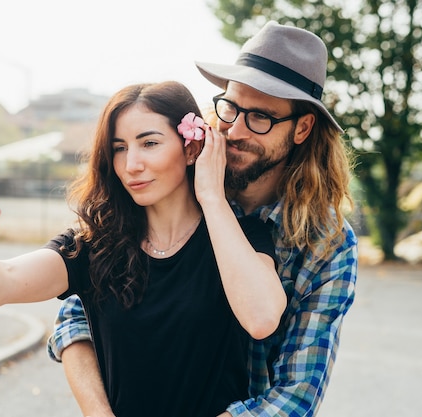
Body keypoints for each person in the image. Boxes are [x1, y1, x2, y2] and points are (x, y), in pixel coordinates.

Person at [47, 21, 358, 417]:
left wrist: (212, 200)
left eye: (260, 117)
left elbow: (296, 394)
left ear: (302, 127)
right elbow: (77, 315)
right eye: (230, 107)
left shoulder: (326, 242)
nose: (235, 130)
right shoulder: (169, 182)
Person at [0, 81, 286, 417]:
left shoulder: (241, 237)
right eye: (119, 148)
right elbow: (0, 283)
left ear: (191, 148)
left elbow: (261, 319)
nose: (131, 165)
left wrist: (211, 196)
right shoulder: (94, 244)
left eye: (149, 143)